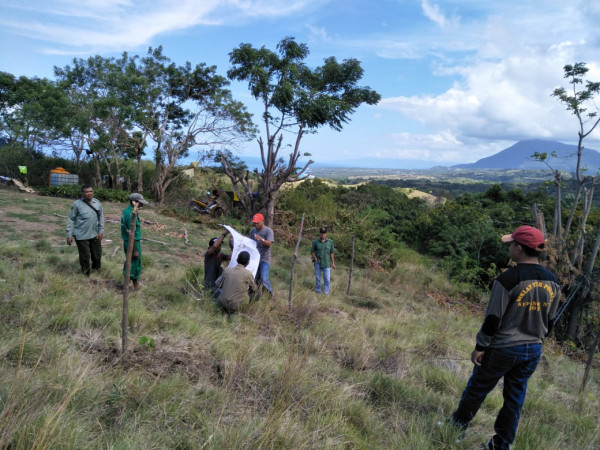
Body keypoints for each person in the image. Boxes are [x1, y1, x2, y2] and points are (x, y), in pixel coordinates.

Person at [448, 225, 561, 449]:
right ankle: (501, 444)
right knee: (515, 398)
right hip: (533, 349)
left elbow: (492, 319)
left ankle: (455, 429)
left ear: (519, 248)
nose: (509, 247)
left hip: (502, 348)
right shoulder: (553, 281)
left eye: (511, 244)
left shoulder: (507, 279)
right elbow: (550, 319)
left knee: (477, 389)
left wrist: (480, 346)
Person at [66, 184, 104, 276]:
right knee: (85, 256)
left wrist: (100, 231)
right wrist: (69, 235)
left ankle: (96, 271)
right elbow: (71, 219)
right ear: (82, 193)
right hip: (81, 235)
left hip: (95, 234)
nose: (89, 193)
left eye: (91, 191)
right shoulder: (76, 204)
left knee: (97, 254)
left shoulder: (97, 203)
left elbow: (101, 217)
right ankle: (86, 274)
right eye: (86, 192)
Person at [121, 193, 149, 290]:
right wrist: (135, 250)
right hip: (131, 243)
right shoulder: (130, 214)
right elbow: (130, 234)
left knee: (135, 264)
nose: (142, 205)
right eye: (140, 203)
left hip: (132, 242)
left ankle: (135, 284)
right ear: (134, 202)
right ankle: (125, 287)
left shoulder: (131, 211)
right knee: (132, 264)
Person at [249, 213, 274, 295]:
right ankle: (254, 295)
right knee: (254, 278)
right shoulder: (253, 231)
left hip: (264, 259)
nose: (256, 225)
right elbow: (251, 243)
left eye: (257, 223)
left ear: (262, 221)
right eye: (254, 223)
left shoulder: (268, 231)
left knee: (264, 278)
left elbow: (269, 244)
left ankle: (269, 295)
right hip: (255, 259)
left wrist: (261, 239)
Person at [204, 231, 232, 296]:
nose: (219, 246)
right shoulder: (208, 254)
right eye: (218, 245)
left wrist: (231, 245)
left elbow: (232, 257)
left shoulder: (220, 255)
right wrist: (223, 234)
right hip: (209, 285)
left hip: (217, 284)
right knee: (223, 296)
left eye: (220, 245)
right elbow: (214, 247)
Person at [311, 226, 336, 294]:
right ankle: (318, 291)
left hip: (327, 263)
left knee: (327, 279)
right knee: (318, 278)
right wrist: (315, 258)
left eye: (324, 233)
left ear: (326, 234)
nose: (323, 235)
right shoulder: (315, 242)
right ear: (320, 234)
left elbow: (332, 253)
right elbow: (312, 251)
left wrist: (333, 263)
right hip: (318, 262)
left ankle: (326, 292)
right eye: (321, 233)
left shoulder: (330, 242)